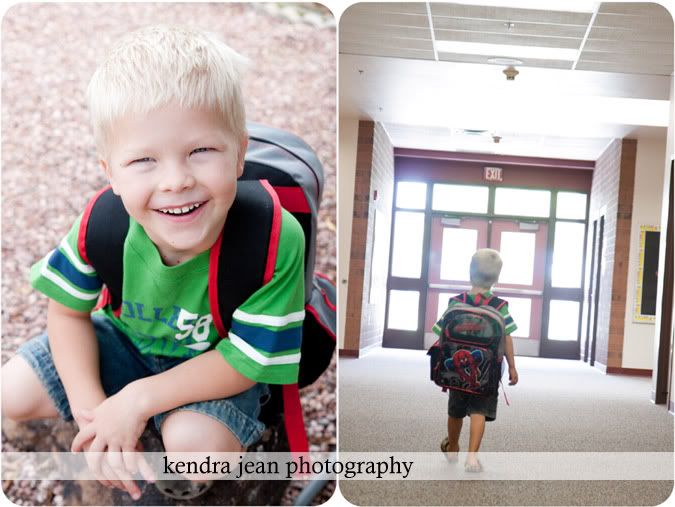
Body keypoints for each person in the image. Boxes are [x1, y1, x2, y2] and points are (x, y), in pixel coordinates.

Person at [1, 25, 305, 499]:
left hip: (213, 363)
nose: (176, 180)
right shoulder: (103, 222)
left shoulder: (272, 238)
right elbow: (67, 312)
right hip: (126, 343)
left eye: (201, 151)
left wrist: (138, 400)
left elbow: (246, 362)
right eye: (144, 160)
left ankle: (201, 438)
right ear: (111, 174)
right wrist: (94, 413)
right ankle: (129, 428)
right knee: (12, 394)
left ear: (240, 153)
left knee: (193, 453)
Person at [432, 248, 518, 472]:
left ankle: (452, 448)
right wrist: (513, 367)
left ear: (469, 274)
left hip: (456, 373)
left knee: (455, 411)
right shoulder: (500, 307)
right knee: (479, 412)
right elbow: (507, 338)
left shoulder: (455, 302)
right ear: (497, 279)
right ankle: (471, 458)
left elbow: (438, 331)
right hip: (486, 375)